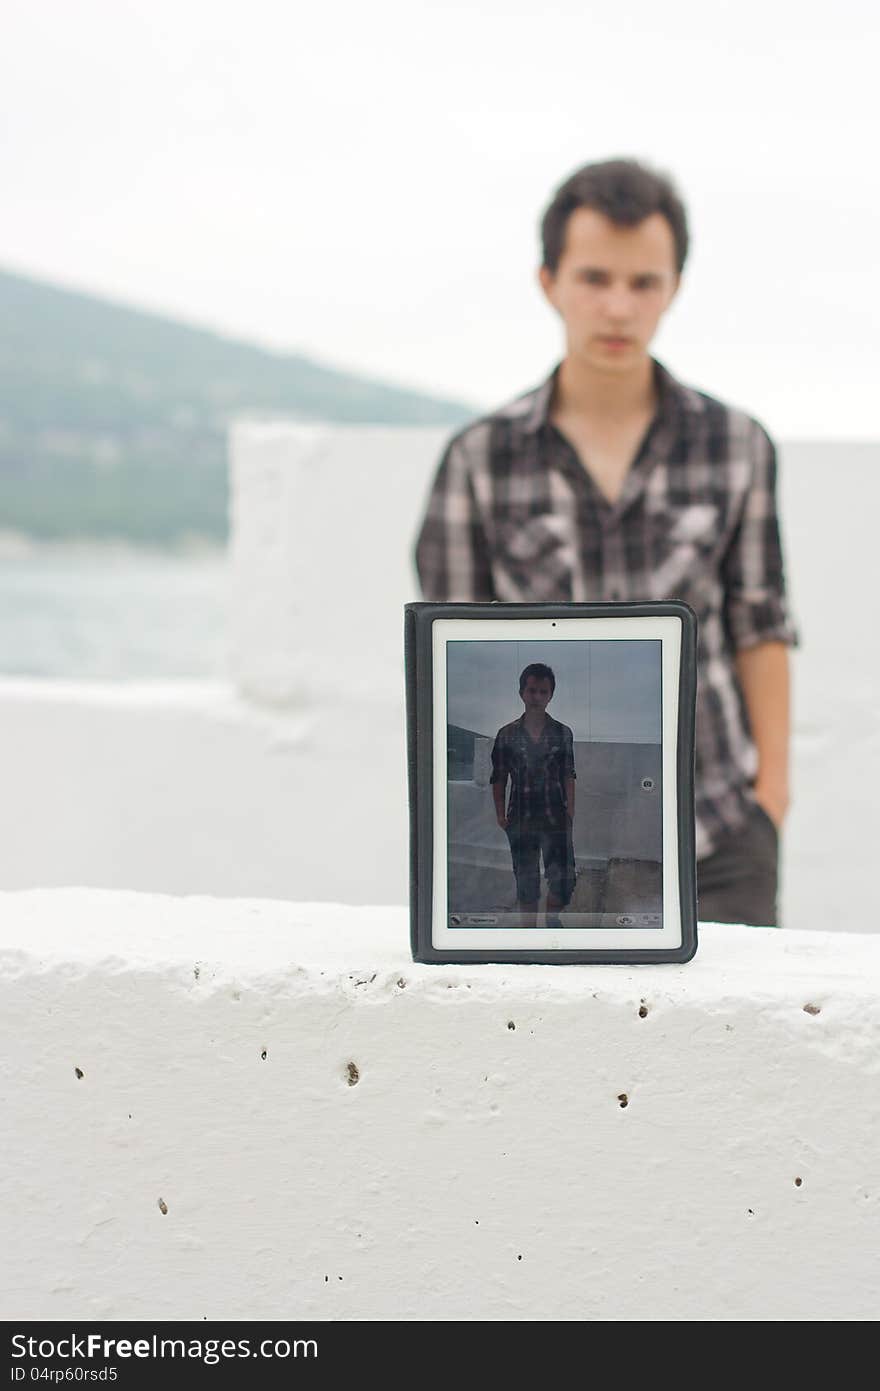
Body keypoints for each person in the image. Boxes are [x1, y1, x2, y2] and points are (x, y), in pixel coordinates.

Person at [415, 157, 799, 927]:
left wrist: (772, 799)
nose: (618, 307)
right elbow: (448, 655)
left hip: (718, 833)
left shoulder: (737, 444)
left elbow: (761, 624)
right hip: (538, 842)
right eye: (594, 278)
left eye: (643, 282)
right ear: (549, 281)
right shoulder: (479, 458)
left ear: (674, 288)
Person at [490, 663, 577, 928]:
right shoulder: (507, 734)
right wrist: (501, 815)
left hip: (555, 817)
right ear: (522, 693)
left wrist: (570, 813)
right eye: (532, 690)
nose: (537, 696)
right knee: (526, 880)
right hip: (521, 818)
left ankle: (551, 919)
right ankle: (529, 933)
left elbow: (568, 774)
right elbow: (499, 777)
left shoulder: (562, 733)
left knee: (563, 880)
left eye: (543, 691)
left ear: (550, 695)